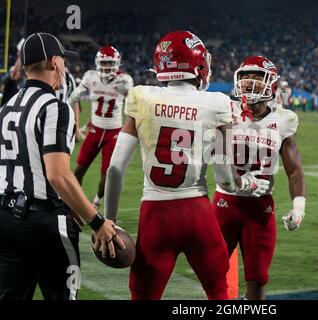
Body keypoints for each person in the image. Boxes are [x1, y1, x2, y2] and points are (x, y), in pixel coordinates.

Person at [103, 31, 268, 300]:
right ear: (198, 64)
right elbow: (225, 179)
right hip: (197, 213)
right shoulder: (216, 103)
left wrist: (108, 220)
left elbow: (114, 168)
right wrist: (244, 183)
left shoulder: (142, 97)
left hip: (155, 214)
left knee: (144, 295)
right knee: (218, 293)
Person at [0, 33, 122, 300]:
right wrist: (96, 220)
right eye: (64, 60)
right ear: (54, 62)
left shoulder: (7, 107)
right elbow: (57, 174)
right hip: (45, 225)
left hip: (6, 221)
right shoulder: (56, 107)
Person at [214, 56, 306, 300]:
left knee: (257, 279)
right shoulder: (225, 110)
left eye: (256, 77)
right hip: (226, 202)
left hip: (260, 206)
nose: (249, 82)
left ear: (272, 84)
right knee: (213, 274)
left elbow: (294, 169)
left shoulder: (284, 120)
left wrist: (299, 208)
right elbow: (213, 155)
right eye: (245, 76)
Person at [68, 45, 133, 209]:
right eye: (103, 63)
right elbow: (74, 97)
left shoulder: (124, 80)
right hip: (95, 130)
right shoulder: (91, 77)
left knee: (107, 173)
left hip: (114, 133)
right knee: (79, 168)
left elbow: (133, 105)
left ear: (117, 63)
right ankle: (73, 201)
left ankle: (96, 202)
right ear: (98, 63)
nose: (106, 67)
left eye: (109, 63)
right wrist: (75, 122)